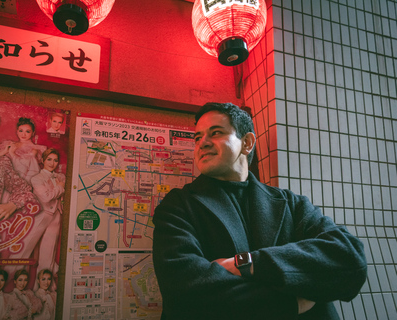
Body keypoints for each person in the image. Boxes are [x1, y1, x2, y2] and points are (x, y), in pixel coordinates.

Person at [152, 102, 368, 319]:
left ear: (247, 143)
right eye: (198, 137)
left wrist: (247, 264)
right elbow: (185, 288)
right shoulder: (178, 206)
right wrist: (290, 302)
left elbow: (349, 258)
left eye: (215, 133)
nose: (202, 143)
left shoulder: (291, 203)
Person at [6, 148, 65, 278]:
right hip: (42, 215)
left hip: (56, 216)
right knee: (25, 246)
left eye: (55, 160)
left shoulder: (60, 177)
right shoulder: (37, 178)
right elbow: (46, 197)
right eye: (49, 159)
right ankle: (7, 276)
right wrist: (60, 187)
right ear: (42, 160)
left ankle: (43, 287)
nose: (52, 163)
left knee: (49, 252)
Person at [0, 117, 47, 183]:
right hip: (5, 179)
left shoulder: (34, 149)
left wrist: (12, 153)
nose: (23, 134)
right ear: (17, 131)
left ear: (33, 133)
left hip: (22, 182)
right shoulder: (10, 144)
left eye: (27, 131)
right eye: (21, 131)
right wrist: (4, 151)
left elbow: (24, 169)